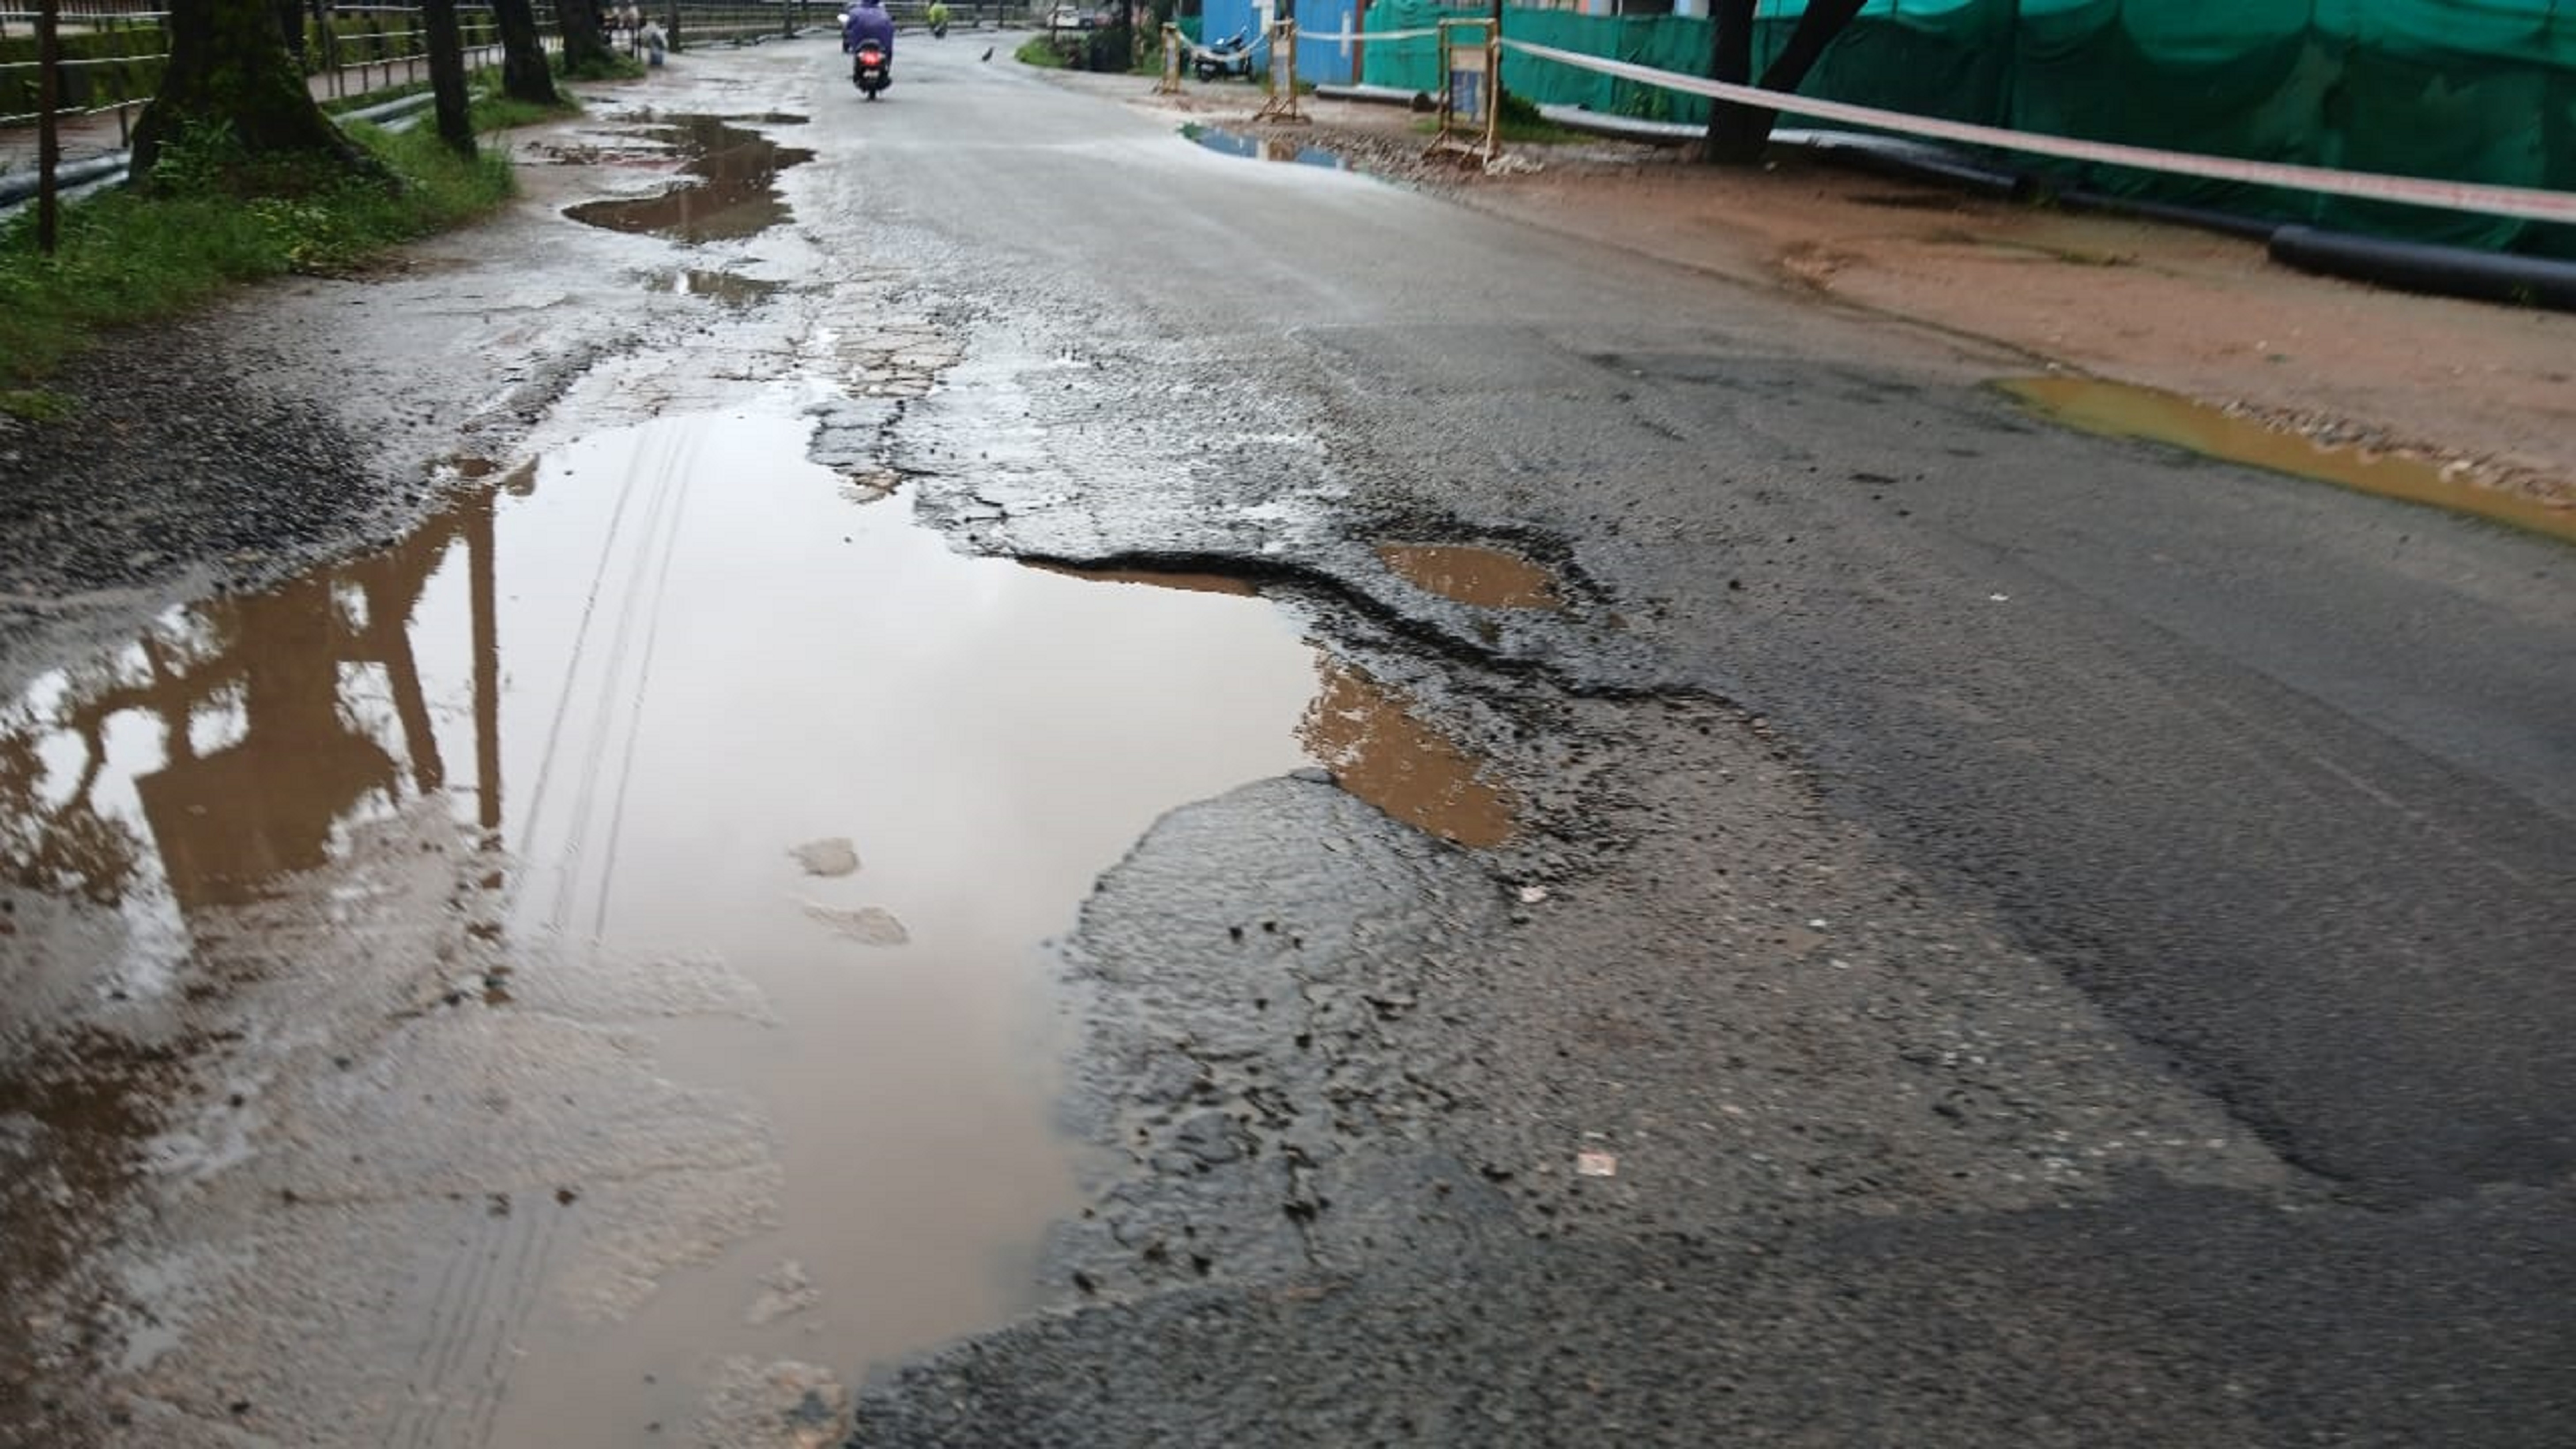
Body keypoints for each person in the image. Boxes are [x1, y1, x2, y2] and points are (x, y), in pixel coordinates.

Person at [843, 0, 896, 81]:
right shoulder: (884, 14)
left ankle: (857, 72)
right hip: (881, 46)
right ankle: (887, 70)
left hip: (860, 45)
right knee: (888, 53)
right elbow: (892, 29)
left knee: (857, 54)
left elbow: (848, 27)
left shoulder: (855, 12)